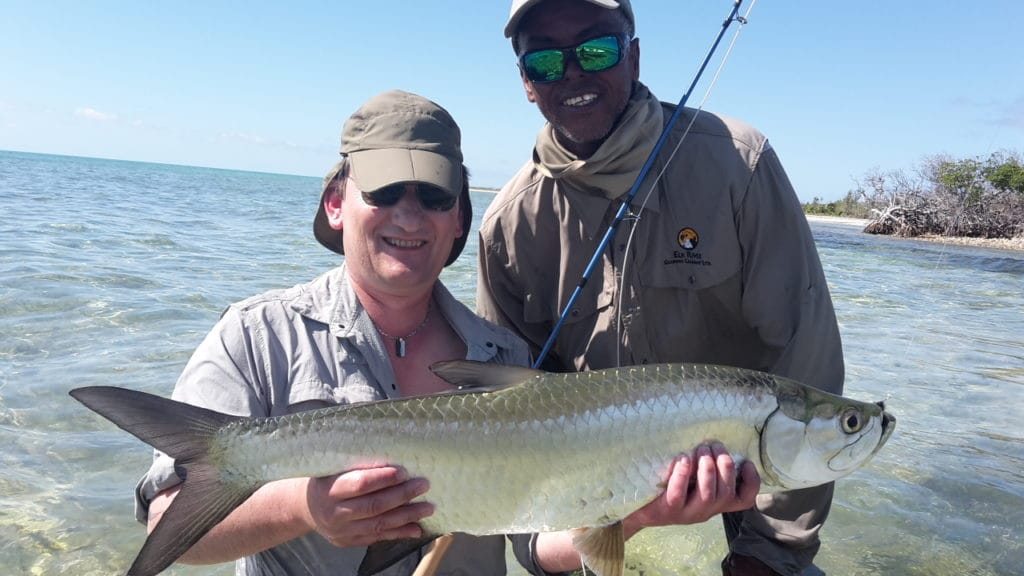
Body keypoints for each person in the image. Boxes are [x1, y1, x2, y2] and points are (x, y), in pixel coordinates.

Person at [478, 1, 846, 575]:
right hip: (590, 478)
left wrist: (769, 553)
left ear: (635, 54)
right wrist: (549, 546)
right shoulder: (507, 225)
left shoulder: (737, 163)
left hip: (744, 459)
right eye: (546, 61)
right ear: (526, 82)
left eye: (597, 49)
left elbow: (808, 361)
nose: (573, 72)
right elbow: (502, 414)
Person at [134, 89, 534, 575]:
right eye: (384, 192)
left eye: (433, 196)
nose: (408, 216)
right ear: (335, 204)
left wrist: (631, 510)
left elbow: (540, 539)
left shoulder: (509, 358)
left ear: (458, 220)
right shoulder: (258, 335)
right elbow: (168, 527)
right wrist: (305, 507)